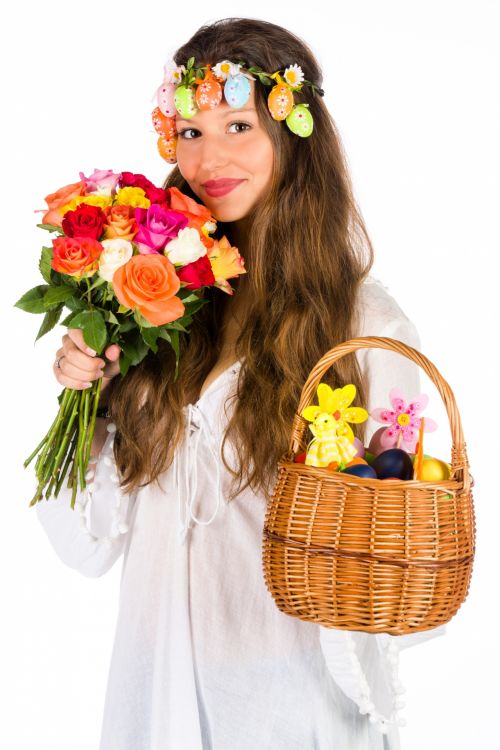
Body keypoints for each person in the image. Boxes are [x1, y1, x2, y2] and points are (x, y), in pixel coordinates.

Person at [36, 17, 446, 750]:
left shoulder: (362, 324)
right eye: (188, 132)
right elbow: (85, 544)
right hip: (154, 695)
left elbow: (411, 557)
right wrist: (88, 392)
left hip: (286, 705)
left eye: (237, 124)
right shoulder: (158, 308)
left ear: (294, 135)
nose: (209, 158)